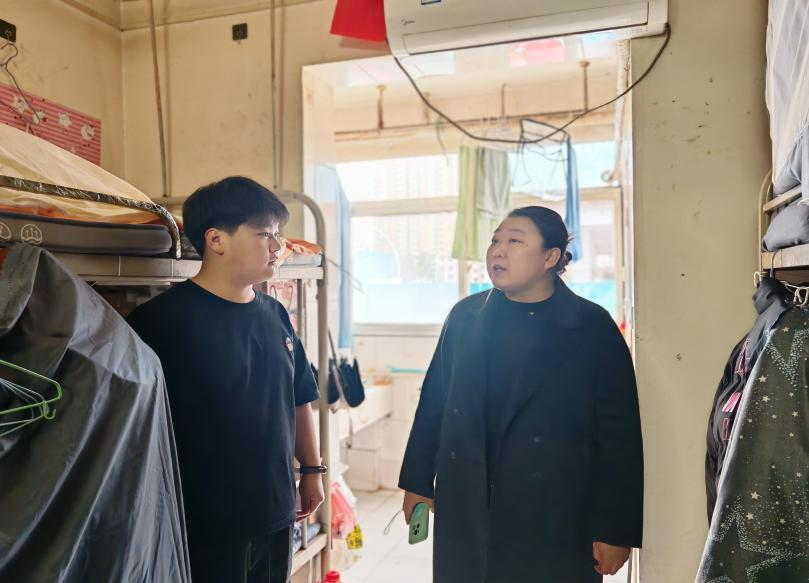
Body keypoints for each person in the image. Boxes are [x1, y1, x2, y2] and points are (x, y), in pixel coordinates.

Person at [399, 206, 644, 583]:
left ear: (550, 257)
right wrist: (417, 482)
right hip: (469, 500)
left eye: (515, 241)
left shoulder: (592, 327)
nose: (497, 250)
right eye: (495, 240)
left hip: (555, 510)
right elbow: (434, 403)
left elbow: (619, 436)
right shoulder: (465, 317)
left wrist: (615, 529)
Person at [128, 176, 325, 583]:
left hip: (274, 509)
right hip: (203, 519)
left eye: (278, 234)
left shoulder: (275, 315)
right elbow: (135, 428)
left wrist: (312, 470)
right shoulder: (160, 322)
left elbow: (298, 398)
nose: (278, 246)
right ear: (216, 239)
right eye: (264, 234)